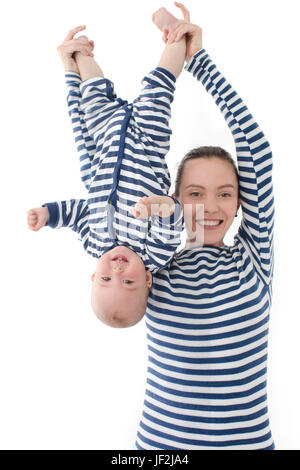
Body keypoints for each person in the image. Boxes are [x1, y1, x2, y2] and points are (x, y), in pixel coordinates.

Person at [135, 3, 275, 450]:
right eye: (194, 193)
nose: (210, 207)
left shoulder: (255, 262)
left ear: (240, 204)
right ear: (175, 199)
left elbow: (258, 150)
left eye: (225, 193)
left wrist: (199, 60)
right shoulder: (153, 267)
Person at [27, 16, 187, 328]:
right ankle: (178, 37)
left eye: (104, 278)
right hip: (147, 143)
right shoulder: (154, 252)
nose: (116, 272)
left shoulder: (93, 243)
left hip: (105, 143)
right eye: (128, 283)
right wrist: (156, 206)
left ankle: (81, 53)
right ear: (148, 279)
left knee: (93, 100)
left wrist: (48, 215)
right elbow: (177, 217)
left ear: (93, 274)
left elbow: (78, 212)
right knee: (158, 87)